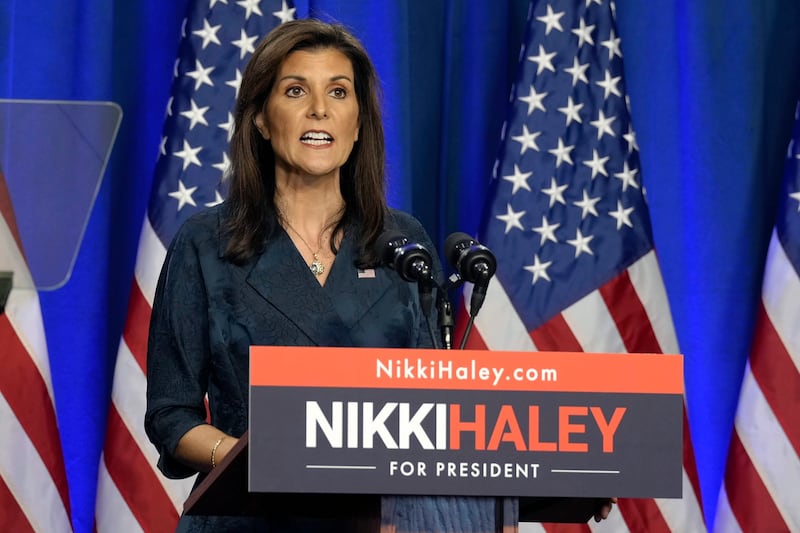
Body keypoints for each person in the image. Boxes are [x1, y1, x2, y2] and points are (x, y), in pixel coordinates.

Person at [145, 18, 615, 532]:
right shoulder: (206, 242)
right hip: (249, 519)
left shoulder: (401, 242)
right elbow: (172, 415)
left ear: (359, 120)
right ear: (260, 117)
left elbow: (437, 420)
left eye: (339, 92)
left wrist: (564, 477)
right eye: (296, 90)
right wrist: (241, 460)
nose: (319, 109)